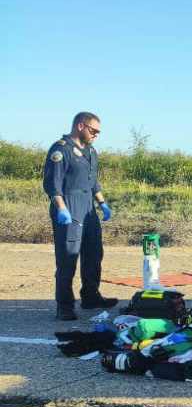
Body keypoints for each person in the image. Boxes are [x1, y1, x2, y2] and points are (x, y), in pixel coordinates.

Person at [43, 112, 116, 320]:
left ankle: (90, 296)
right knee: (68, 257)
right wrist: (61, 208)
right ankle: (64, 306)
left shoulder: (91, 151)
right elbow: (52, 184)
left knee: (94, 254)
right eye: (94, 131)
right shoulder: (60, 149)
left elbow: (93, 182)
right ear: (81, 126)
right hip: (69, 206)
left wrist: (102, 203)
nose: (96, 135)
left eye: (98, 133)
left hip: (88, 209)